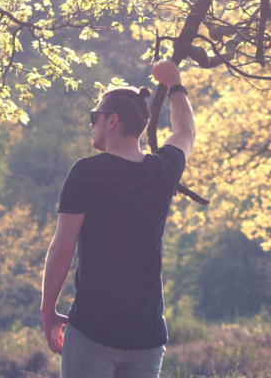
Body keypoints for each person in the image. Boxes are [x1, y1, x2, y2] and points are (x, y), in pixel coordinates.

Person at [40, 56, 196, 378]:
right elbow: (186, 131)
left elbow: (62, 250)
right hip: (147, 338)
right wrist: (175, 83)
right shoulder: (163, 170)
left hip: (93, 334)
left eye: (94, 117)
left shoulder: (86, 173)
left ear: (112, 121)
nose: (91, 124)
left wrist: (48, 311)